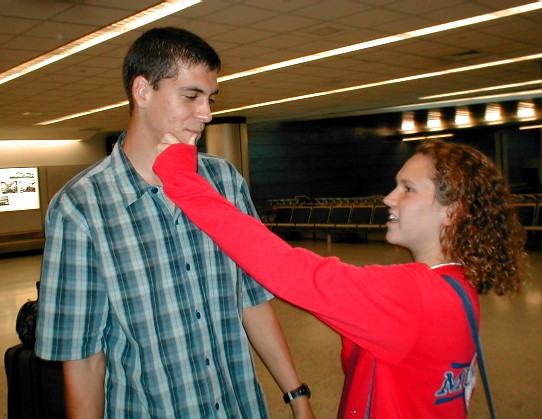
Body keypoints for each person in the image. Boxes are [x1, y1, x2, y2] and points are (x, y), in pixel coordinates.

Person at [36, 27, 314, 419]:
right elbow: (84, 359)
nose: (207, 113)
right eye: (191, 95)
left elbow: (251, 300)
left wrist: (297, 396)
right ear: (142, 91)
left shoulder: (224, 182)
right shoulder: (81, 209)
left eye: (210, 98)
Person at [152, 136, 528, 418]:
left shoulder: (412, 296)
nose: (389, 198)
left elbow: (283, 266)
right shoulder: (459, 286)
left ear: (453, 212)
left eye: (408, 189)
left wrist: (180, 176)